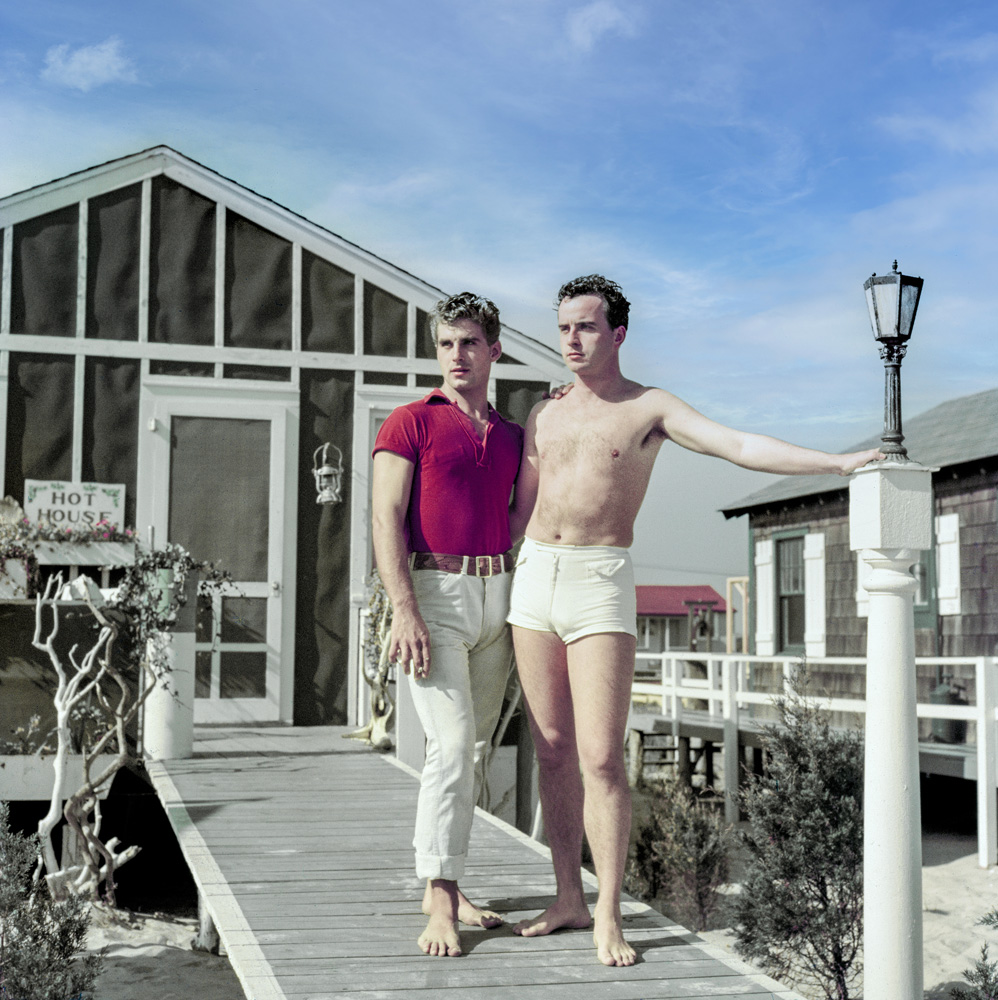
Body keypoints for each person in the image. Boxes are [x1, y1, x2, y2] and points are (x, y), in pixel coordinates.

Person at [507, 274, 885, 967]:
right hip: (534, 577)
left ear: (618, 333)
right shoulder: (544, 413)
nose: (571, 339)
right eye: (564, 327)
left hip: (598, 581)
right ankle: (566, 894)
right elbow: (516, 508)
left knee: (599, 755)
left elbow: (737, 444)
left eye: (586, 326)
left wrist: (836, 460)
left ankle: (610, 913)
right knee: (552, 747)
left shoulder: (649, 408)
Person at [371, 292, 524, 958]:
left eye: (469, 343)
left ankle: (456, 883)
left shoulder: (514, 434)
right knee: (452, 746)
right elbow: (384, 519)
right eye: (445, 344)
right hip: (433, 593)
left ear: (493, 349)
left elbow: (523, 514)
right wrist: (403, 606)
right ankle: (437, 898)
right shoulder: (409, 422)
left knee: (478, 752)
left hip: (500, 594)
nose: (456, 356)